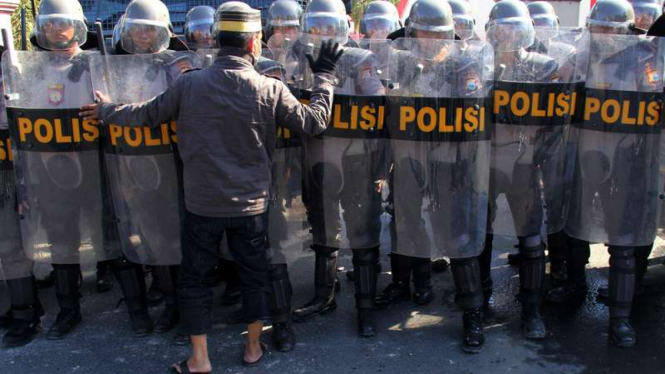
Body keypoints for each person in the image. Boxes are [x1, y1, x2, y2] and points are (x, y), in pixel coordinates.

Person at [79, 2, 341, 371]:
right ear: (253, 45)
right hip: (250, 207)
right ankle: (253, 348)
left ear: (217, 42)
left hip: (201, 205)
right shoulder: (269, 88)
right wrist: (325, 78)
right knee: (253, 277)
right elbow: (314, 123)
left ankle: (199, 359)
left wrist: (106, 110)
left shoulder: (189, 84)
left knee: (195, 279)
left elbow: (145, 115)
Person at [383, 0, 491, 353]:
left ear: (448, 36)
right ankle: (414, 284)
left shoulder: (465, 67)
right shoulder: (404, 65)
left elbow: (475, 122)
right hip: (411, 160)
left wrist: (465, 167)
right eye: (421, 34)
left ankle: (473, 313)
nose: (427, 41)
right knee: (407, 225)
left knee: (458, 240)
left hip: (450, 164)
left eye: (434, 34)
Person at [564, 0, 662, 348]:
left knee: (621, 240)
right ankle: (575, 286)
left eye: (610, 28)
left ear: (624, 30)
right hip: (583, 154)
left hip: (624, 159)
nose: (603, 34)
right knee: (574, 231)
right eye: (598, 27)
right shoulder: (578, 57)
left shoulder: (644, 59)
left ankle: (620, 318)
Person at [287, 0, 387, 337]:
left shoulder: (361, 59)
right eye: (316, 26)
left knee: (362, 233)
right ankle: (323, 295)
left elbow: (378, 100)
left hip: (356, 160)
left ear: (341, 27)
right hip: (317, 159)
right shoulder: (299, 59)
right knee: (324, 233)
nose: (323, 33)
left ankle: (366, 306)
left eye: (329, 26)